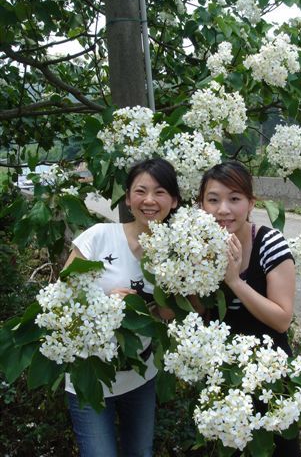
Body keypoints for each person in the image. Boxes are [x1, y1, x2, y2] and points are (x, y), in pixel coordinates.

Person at [64, 158, 181, 457]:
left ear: (175, 200)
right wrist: (106, 305)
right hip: (88, 376)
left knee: (140, 453)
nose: (150, 200)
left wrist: (145, 309)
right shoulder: (100, 236)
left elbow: (165, 315)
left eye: (160, 192)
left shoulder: (175, 254)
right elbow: (61, 298)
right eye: (140, 191)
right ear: (128, 198)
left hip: (139, 377)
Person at [199, 161, 301, 457]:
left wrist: (234, 281)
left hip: (270, 373)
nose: (223, 210)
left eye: (235, 199)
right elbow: (198, 313)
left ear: (250, 203)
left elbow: (282, 319)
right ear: (201, 205)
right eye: (213, 199)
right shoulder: (198, 246)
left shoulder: (270, 244)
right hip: (224, 376)